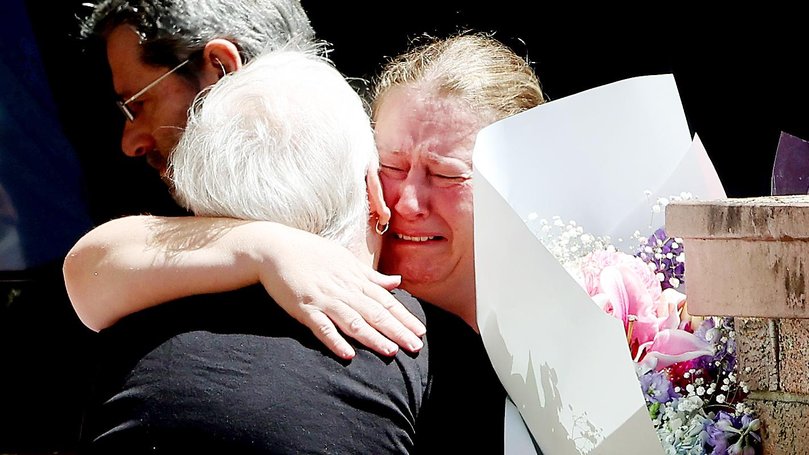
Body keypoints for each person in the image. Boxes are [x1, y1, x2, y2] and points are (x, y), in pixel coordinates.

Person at [65, 32, 546, 453]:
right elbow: (92, 265)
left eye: (446, 174)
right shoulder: (278, 270)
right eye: (391, 166)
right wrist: (262, 246)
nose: (406, 201)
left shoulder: (579, 313)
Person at [81, 48, 430, 454]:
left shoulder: (133, 308)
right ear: (373, 191)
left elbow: (89, 265)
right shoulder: (408, 334)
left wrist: (261, 249)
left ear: (196, 205)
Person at [73, 0, 427, 358]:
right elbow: (90, 269)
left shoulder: (403, 196)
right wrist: (265, 247)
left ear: (221, 68)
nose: (128, 142)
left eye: (138, 104)